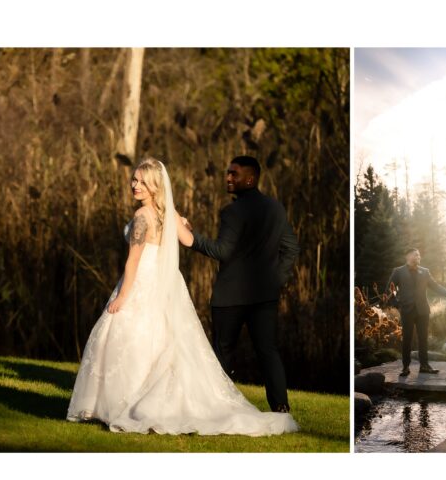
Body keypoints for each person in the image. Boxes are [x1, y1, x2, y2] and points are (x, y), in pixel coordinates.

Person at [66, 158, 297, 436]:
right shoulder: (168, 214)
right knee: (162, 342)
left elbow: (134, 260)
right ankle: (279, 407)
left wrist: (122, 296)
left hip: (144, 281)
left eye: (141, 181)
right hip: (170, 284)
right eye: (134, 179)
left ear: (154, 185)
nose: (134, 185)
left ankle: (122, 403)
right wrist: (182, 225)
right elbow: (188, 241)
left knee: (130, 338)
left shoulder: (145, 216)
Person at [187, 155, 299, 413]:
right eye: (227, 173)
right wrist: (276, 280)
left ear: (250, 179)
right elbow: (291, 248)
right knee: (268, 351)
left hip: (230, 297)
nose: (227, 178)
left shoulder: (233, 212)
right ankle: (280, 406)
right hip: (265, 296)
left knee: (223, 353)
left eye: (233, 174)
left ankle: (218, 408)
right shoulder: (275, 208)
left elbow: (222, 251)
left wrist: (191, 239)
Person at [385, 248, 446, 377]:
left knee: (423, 339)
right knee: (407, 339)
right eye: (416, 254)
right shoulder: (398, 272)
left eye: (419, 255)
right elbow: (389, 291)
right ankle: (405, 367)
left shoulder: (425, 272)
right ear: (408, 256)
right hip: (407, 311)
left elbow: (435, 286)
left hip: (423, 311)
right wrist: (397, 305)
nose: (418, 256)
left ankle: (424, 366)